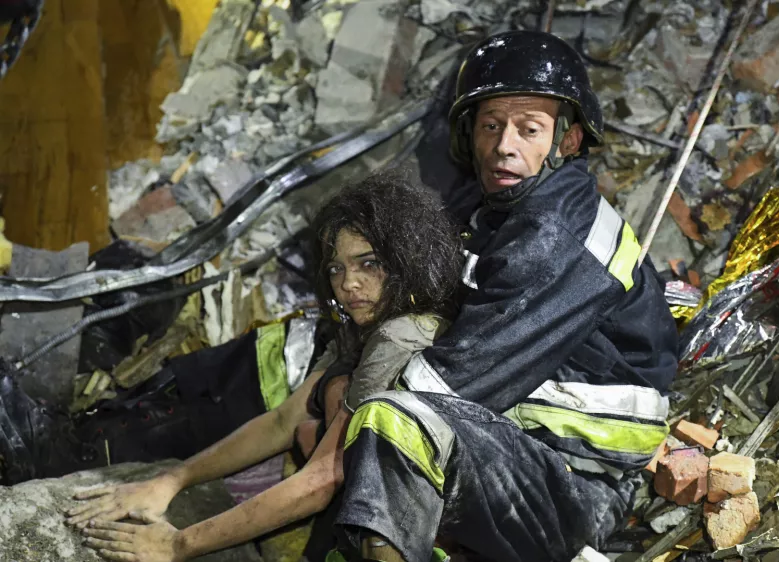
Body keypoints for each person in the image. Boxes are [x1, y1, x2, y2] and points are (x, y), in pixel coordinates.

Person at [315, 30, 681, 562]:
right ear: (470, 135)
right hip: (527, 457)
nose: (504, 145)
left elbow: (445, 383)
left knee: (393, 426)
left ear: (569, 141)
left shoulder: (554, 234)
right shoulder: (505, 216)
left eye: (529, 129)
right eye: (490, 126)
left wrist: (349, 403)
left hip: (575, 488)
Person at [65, 173, 465, 562]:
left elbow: (324, 477)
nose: (348, 284)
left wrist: (177, 545)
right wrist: (171, 481)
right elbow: (282, 423)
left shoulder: (402, 334)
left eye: (369, 264)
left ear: (407, 259)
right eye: (336, 268)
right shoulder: (366, 330)